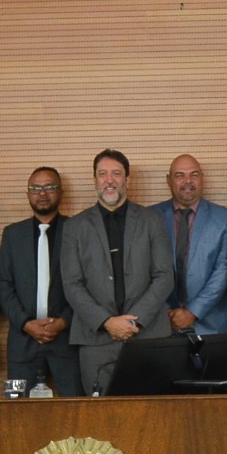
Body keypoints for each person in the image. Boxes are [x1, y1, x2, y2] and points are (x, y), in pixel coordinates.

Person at [60, 149, 174, 394]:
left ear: (128, 180)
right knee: (102, 421)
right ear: (94, 181)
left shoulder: (151, 220)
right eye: (102, 174)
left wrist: (135, 321)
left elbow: (165, 276)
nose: (109, 180)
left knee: (153, 416)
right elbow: (71, 284)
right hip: (96, 340)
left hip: (148, 335)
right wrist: (107, 322)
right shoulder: (74, 227)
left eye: (116, 174)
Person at [0, 167, 82, 396]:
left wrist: (63, 321)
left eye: (50, 187)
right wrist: (26, 323)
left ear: (61, 192)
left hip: (68, 340)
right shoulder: (12, 234)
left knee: (75, 412)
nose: (42, 193)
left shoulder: (78, 230)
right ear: (28, 194)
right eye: (35, 188)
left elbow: (89, 285)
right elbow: (4, 285)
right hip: (22, 343)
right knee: (17, 414)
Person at [151, 154, 227, 336]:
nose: (187, 181)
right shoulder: (149, 217)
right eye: (179, 175)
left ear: (202, 178)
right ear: (169, 180)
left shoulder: (225, 219)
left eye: (194, 175)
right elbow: (143, 269)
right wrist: (167, 310)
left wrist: (193, 312)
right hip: (162, 323)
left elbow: (223, 271)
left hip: (212, 326)